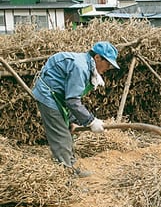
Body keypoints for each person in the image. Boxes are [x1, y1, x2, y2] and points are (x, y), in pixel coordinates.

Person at [32, 42, 120, 177]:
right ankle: (65, 177)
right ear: (97, 58)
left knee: (67, 132)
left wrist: (73, 120)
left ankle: (71, 168)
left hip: (59, 97)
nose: (109, 67)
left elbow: (69, 96)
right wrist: (91, 121)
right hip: (48, 96)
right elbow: (72, 100)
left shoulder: (86, 65)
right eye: (108, 63)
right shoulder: (81, 67)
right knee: (62, 137)